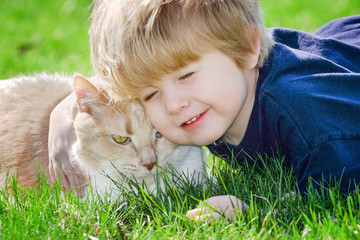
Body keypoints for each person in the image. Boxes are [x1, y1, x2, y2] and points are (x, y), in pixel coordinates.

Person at [49, 0, 360, 220]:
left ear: (248, 48)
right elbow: (111, 93)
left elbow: (339, 191)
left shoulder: (309, 123)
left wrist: (255, 211)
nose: (173, 104)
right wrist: (63, 112)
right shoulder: (218, 85)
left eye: (186, 75)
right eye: (151, 93)